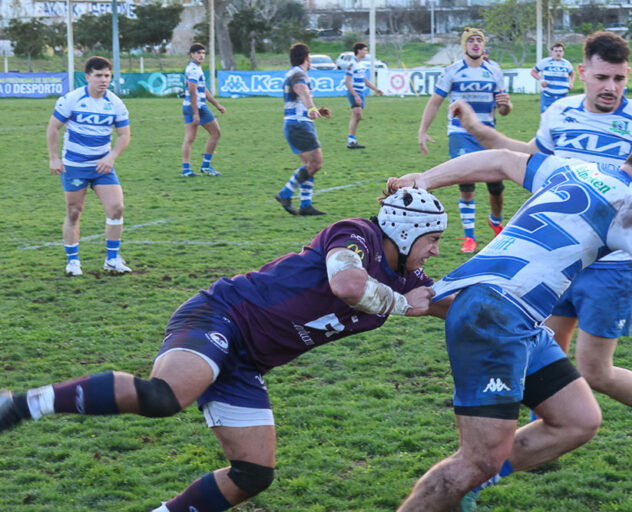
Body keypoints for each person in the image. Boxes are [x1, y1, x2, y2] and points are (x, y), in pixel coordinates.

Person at [0, 188, 451, 512]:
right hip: (222, 316)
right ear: (406, 230)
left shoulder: (409, 281)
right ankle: (21, 404)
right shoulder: (357, 234)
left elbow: (449, 304)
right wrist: (397, 306)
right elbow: (348, 285)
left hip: (247, 361)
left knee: (253, 474)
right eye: (432, 240)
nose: (434, 252)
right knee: (164, 397)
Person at [387, 130, 632, 512]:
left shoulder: (574, 170)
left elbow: (500, 160)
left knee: (578, 420)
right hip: (496, 317)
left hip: (506, 311)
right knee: (473, 461)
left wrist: (423, 179)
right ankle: (465, 484)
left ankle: (471, 486)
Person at [445, 35, 632, 508]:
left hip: (612, 266)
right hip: (554, 257)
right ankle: (508, 461)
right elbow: (530, 158)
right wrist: (479, 128)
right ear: (582, 72)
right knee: (543, 362)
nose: (611, 87)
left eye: (620, 79)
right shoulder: (559, 113)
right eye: (602, 77)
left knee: (594, 372)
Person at [417, 27, 512, 253]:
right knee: (466, 183)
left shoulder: (494, 71)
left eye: (479, 39)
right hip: (460, 134)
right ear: (465, 45)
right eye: (471, 40)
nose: (476, 43)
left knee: (496, 186)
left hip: (487, 134)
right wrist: (422, 130)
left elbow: (504, 109)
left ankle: (495, 222)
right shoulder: (452, 71)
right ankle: (469, 236)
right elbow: (435, 102)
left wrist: (506, 105)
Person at [46, 56, 132, 276]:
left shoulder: (115, 103)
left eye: (107, 76)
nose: (103, 80)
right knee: (74, 212)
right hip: (74, 166)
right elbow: (53, 128)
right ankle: (73, 261)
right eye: (98, 76)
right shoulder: (71, 99)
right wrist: (54, 158)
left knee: (117, 207)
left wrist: (111, 157)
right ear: (87, 77)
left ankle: (112, 260)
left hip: (102, 166)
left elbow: (124, 135)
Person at [275, 43, 332, 216]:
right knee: (316, 163)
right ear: (307, 57)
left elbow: (299, 98)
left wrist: (316, 112)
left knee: (310, 165)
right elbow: (302, 91)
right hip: (299, 125)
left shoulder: (293, 73)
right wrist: (312, 108)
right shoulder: (299, 74)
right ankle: (285, 194)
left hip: (295, 123)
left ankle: (306, 205)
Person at [181, 43, 226, 177]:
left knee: (189, 138)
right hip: (198, 106)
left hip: (189, 105)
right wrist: (196, 113)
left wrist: (217, 105)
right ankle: (206, 165)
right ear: (192, 54)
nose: (201, 55)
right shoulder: (194, 70)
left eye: (203, 53)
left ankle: (186, 169)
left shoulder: (194, 68)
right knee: (216, 133)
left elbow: (203, 89)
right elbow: (192, 91)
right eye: (198, 53)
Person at [345, 42, 383, 149]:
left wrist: (376, 89)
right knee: (357, 114)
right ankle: (351, 140)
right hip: (355, 91)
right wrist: (355, 95)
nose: (366, 52)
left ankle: (352, 139)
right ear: (359, 51)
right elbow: (347, 82)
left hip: (361, 92)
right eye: (365, 50)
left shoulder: (361, 64)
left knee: (357, 116)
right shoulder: (352, 64)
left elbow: (364, 80)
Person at [530, 42, 575, 113]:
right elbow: (533, 72)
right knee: (546, 117)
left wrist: (571, 83)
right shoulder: (545, 62)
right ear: (552, 52)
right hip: (548, 96)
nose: (558, 53)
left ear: (563, 53)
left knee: (562, 119)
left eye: (560, 51)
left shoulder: (567, 63)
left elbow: (572, 73)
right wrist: (541, 80)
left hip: (562, 96)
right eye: (556, 51)